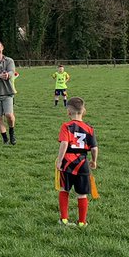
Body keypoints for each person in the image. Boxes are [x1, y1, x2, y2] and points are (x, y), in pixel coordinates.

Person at [55, 96, 97, 226]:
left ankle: (64, 219)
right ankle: (82, 222)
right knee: (82, 194)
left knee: (64, 189)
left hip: (68, 163)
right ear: (83, 111)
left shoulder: (66, 126)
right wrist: (94, 161)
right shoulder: (89, 128)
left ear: (68, 112)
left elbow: (64, 144)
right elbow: (94, 148)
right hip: (82, 164)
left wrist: (59, 160)